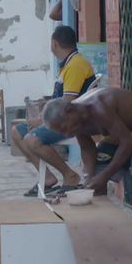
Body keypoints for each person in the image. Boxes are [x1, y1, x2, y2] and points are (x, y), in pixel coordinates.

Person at [42, 88, 132, 230]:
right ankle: (102, 226)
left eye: (65, 127)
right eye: (62, 132)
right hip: (120, 129)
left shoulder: (98, 107)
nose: (67, 133)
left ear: (70, 110)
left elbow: (128, 142)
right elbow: (87, 148)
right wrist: (89, 176)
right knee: (95, 177)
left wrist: (105, 175)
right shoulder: (76, 121)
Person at [13, 25, 95, 197]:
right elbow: (61, 98)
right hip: (59, 118)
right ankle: (48, 178)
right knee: (17, 132)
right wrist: (47, 102)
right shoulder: (67, 64)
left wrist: (41, 120)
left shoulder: (76, 65)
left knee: (32, 139)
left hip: (71, 123)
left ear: (54, 44)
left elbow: (66, 106)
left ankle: (69, 175)